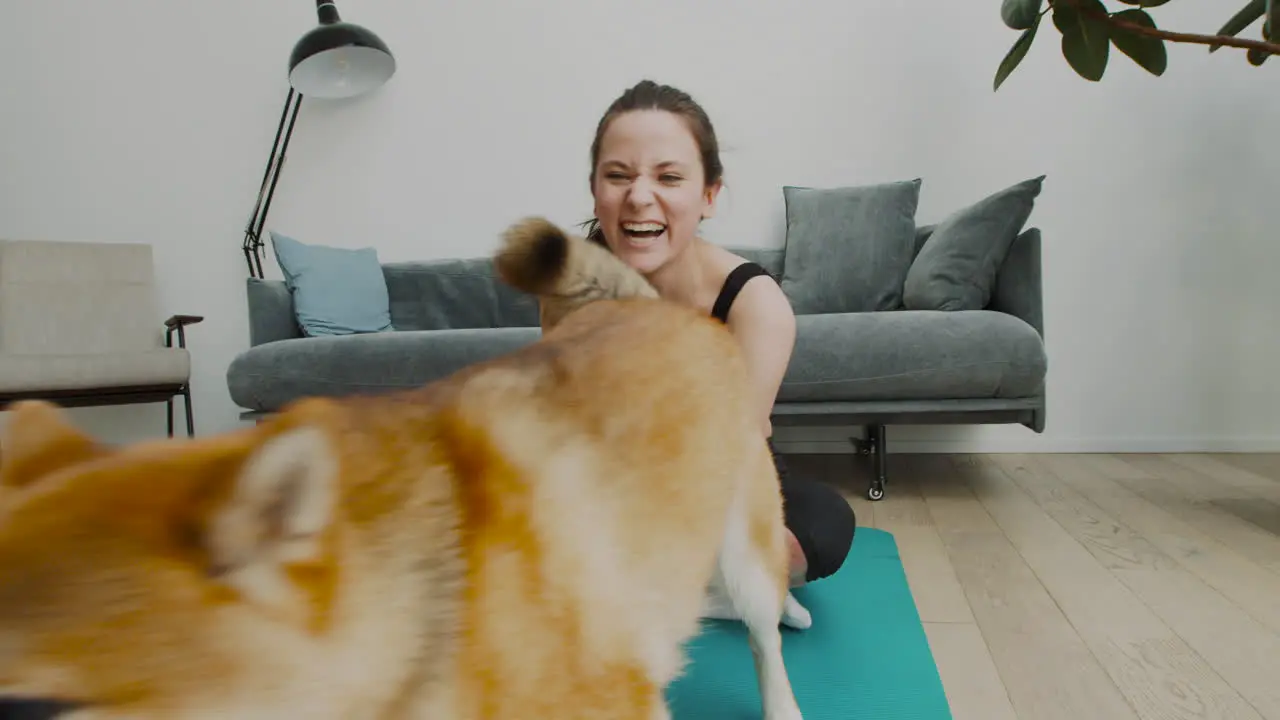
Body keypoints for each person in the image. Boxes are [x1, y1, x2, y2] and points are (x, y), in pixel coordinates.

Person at [580, 79, 857, 597]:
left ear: (709, 195)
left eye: (668, 177)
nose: (639, 197)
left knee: (822, 527)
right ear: (596, 191)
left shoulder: (755, 303)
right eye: (617, 176)